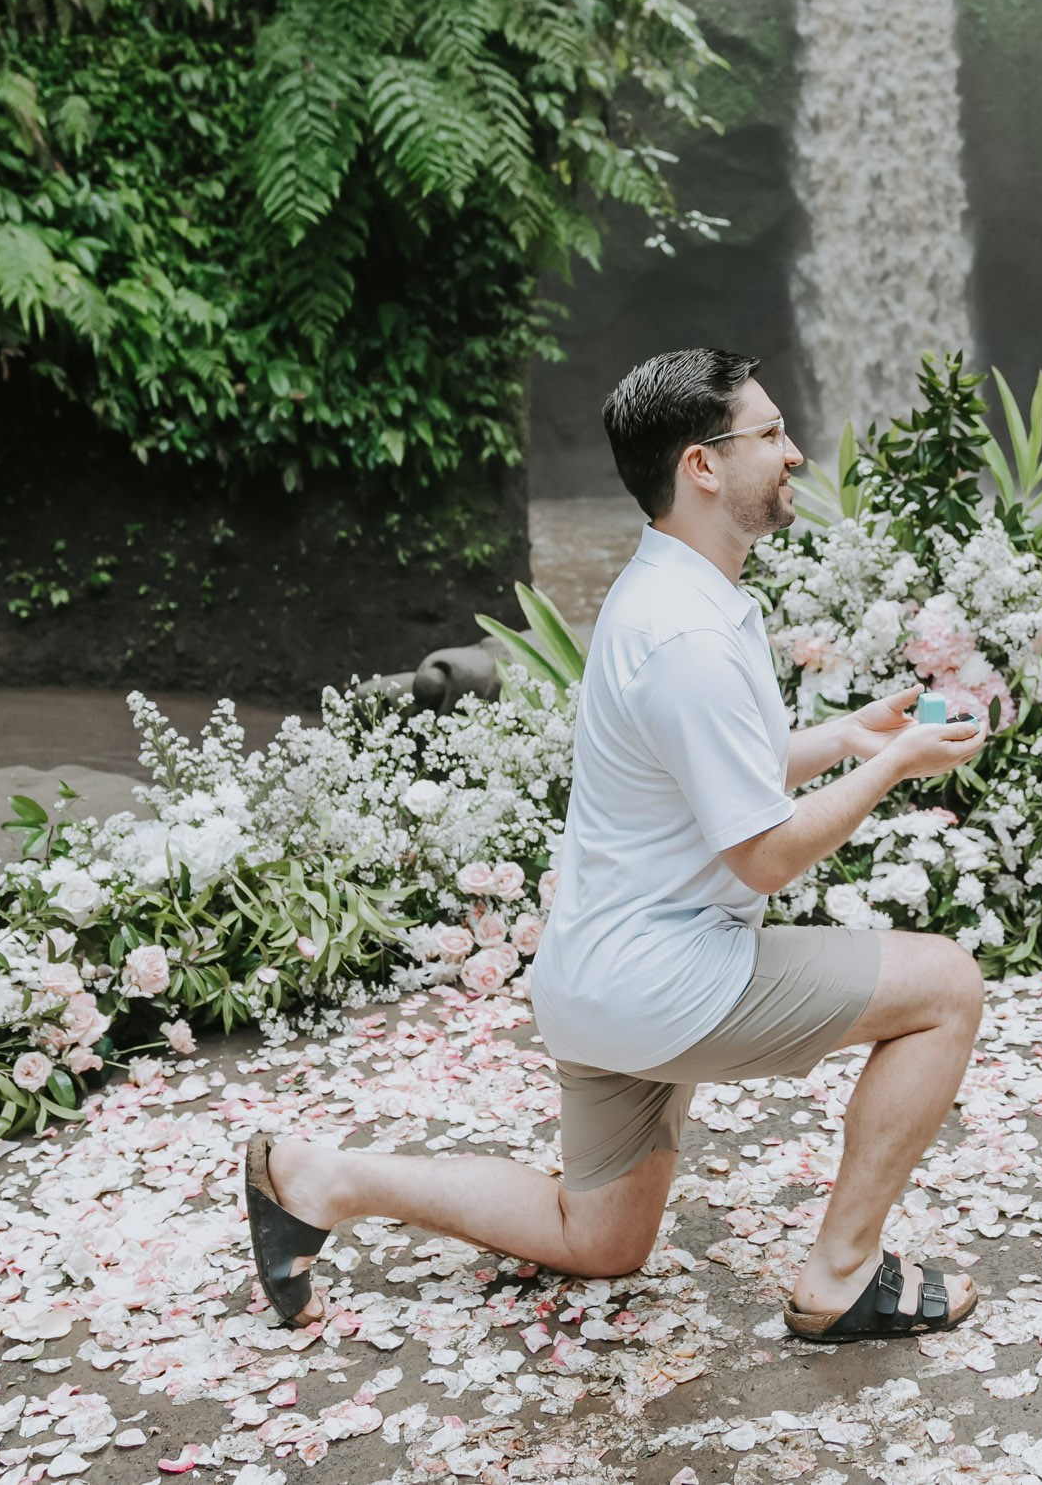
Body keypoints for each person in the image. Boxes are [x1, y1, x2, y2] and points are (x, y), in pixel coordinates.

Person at [244, 348, 992, 1341]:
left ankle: (320, 1176)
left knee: (600, 1236)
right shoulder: (685, 634)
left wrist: (849, 735)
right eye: (770, 433)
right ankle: (843, 1273)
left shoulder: (668, 592)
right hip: (665, 977)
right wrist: (889, 768)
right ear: (703, 466)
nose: (795, 452)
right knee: (946, 985)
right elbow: (764, 856)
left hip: (598, 973)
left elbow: (718, 765)